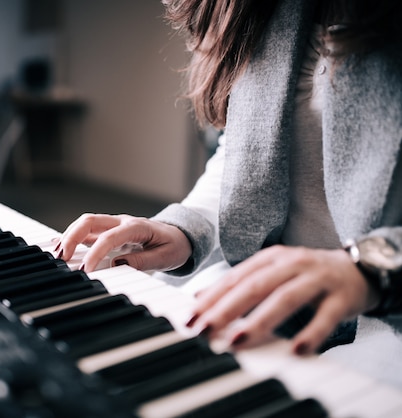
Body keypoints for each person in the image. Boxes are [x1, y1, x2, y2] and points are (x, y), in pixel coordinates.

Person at [55, 0, 402, 387]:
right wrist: (183, 228)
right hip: (272, 288)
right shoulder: (262, 10)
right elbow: (244, 155)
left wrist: (373, 268)